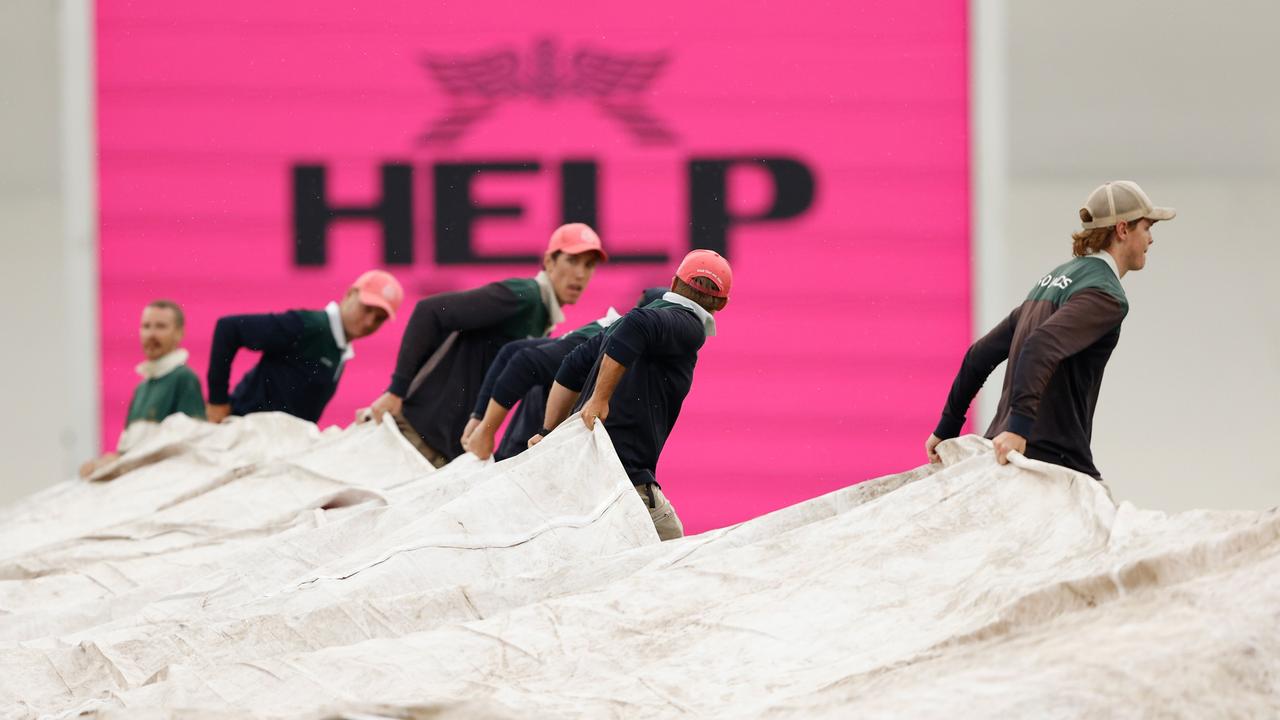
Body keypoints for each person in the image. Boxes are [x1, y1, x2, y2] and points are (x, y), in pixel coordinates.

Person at [925, 180, 1175, 481]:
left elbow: (980, 355)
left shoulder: (1053, 280)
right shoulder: (1106, 294)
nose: (1151, 239)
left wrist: (946, 429)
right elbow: (1039, 345)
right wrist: (1018, 429)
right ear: (1122, 230)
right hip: (1052, 457)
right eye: (1147, 228)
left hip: (999, 448)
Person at [529, 250, 733, 541]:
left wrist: (547, 432)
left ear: (675, 284)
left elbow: (571, 367)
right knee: (674, 547)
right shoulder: (688, 325)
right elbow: (640, 324)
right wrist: (600, 398)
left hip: (579, 463)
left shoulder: (620, 325)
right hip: (623, 475)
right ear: (722, 303)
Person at [365, 223, 607, 466]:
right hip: (417, 437)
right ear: (550, 261)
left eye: (589, 265)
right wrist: (396, 391)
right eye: (572, 261)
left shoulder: (541, 315)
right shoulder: (525, 295)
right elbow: (430, 312)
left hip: (442, 448)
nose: (580, 274)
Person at [463, 287, 667, 462]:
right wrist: (486, 430)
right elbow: (524, 361)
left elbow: (513, 351)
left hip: (526, 445)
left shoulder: (610, 331)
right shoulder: (610, 337)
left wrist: (479, 417)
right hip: (531, 449)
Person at [205, 270, 403, 424]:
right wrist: (217, 402)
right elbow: (228, 329)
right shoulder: (308, 325)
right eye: (367, 308)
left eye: (379, 318)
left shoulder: (339, 346)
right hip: (246, 433)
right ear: (350, 294)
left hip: (274, 447)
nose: (369, 321)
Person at [79, 300, 205, 477]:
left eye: (161, 327)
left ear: (179, 333)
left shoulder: (184, 379)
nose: (151, 334)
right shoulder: (142, 388)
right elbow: (127, 451)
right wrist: (105, 463)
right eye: (146, 327)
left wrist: (119, 462)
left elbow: (187, 449)